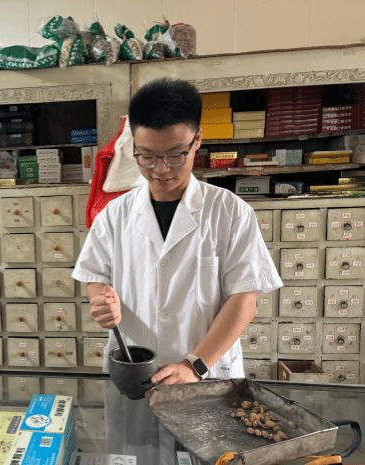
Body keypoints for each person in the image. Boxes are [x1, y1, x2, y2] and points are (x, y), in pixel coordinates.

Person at [72, 78, 282, 464]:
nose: (161, 170)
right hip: (136, 377)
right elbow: (95, 277)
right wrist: (100, 300)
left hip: (208, 375)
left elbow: (244, 300)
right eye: (147, 157)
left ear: (197, 141)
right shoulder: (115, 215)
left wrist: (195, 365)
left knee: (212, 457)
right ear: (133, 148)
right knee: (137, 459)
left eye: (174, 155)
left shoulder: (230, 212)